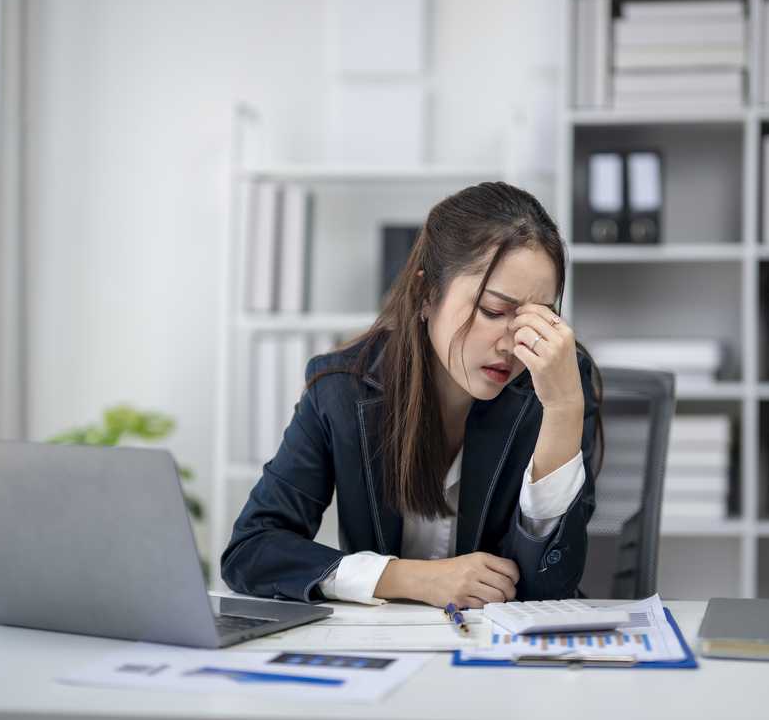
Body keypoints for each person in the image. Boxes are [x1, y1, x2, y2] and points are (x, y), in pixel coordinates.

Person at [221, 181, 603, 608]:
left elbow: (550, 590)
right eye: (493, 311)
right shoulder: (342, 388)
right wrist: (408, 578)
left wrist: (564, 409)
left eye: (538, 318)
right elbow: (251, 551)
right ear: (426, 295)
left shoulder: (556, 384)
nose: (513, 344)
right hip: (383, 647)